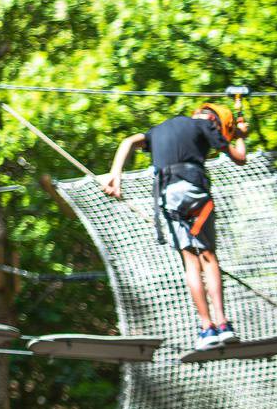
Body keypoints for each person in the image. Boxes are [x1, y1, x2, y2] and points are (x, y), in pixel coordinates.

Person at [101, 102, 251, 351]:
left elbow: (128, 141)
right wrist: (242, 137)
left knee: (190, 261)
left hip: (168, 195)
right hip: (194, 190)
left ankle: (206, 329)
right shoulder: (205, 125)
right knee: (208, 257)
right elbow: (240, 158)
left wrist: (115, 174)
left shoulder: (158, 129)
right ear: (216, 122)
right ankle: (223, 325)